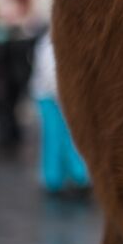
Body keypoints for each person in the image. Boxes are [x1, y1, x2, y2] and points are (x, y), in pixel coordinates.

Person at [31, 27, 90, 196]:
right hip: (53, 98)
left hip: (59, 96)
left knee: (64, 137)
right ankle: (59, 179)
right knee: (57, 137)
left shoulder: (57, 41)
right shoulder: (50, 44)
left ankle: (68, 176)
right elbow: (50, 76)